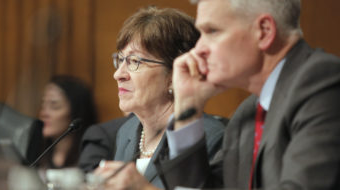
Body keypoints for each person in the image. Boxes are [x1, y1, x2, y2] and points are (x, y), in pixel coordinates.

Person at [151, 0, 340, 190]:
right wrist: (188, 105)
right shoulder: (248, 112)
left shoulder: (322, 83)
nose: (198, 49)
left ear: (264, 31)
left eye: (212, 31)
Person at [83, 6, 227, 189]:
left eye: (135, 61)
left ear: (174, 74)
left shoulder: (209, 137)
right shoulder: (127, 131)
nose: (118, 74)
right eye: (120, 60)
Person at [38, 75, 98, 169]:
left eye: (54, 105)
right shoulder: (36, 153)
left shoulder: (93, 155)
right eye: (43, 105)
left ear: (76, 112)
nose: (43, 113)